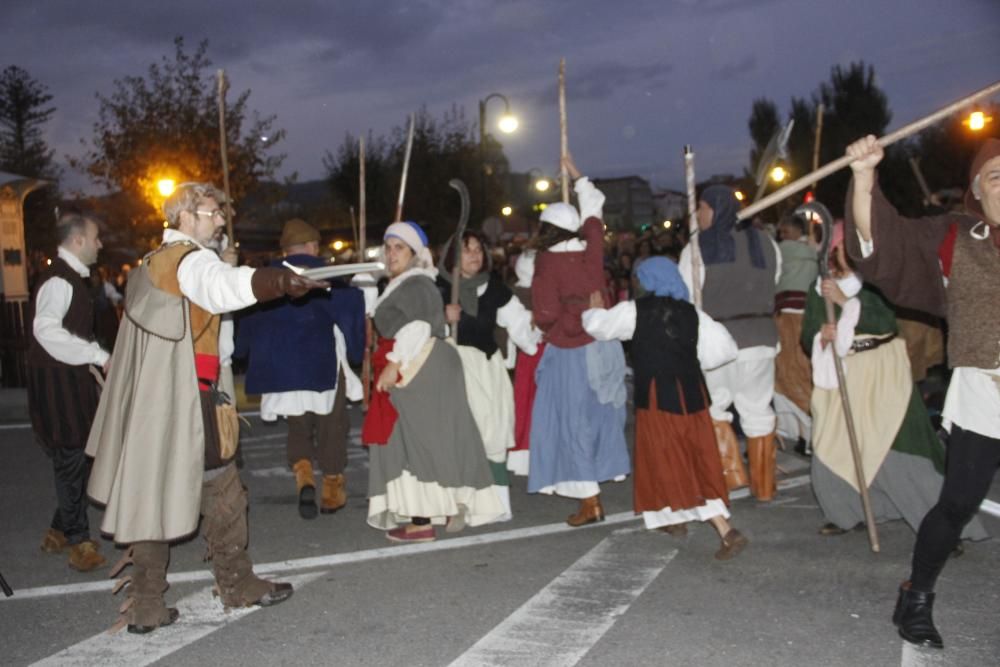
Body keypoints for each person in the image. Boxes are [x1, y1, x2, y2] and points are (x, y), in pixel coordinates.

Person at [86, 182, 325, 634]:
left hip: (158, 399)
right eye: (213, 212)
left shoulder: (151, 262)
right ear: (186, 216)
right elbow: (220, 287)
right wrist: (277, 280)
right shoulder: (190, 260)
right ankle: (237, 585)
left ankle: (146, 604)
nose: (220, 220)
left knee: (152, 492)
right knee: (222, 489)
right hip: (189, 398)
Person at [843, 135, 1000, 649]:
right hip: (987, 390)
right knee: (957, 504)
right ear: (978, 190)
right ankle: (915, 596)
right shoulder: (957, 237)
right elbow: (889, 246)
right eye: (996, 178)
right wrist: (865, 176)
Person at [802, 224, 986, 544]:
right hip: (843, 371)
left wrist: (846, 302)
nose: (850, 253)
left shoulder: (873, 284)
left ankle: (941, 530)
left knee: (895, 444)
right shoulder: (819, 288)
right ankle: (849, 511)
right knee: (832, 440)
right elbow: (807, 335)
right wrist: (822, 336)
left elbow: (882, 321)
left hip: (881, 369)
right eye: (845, 247)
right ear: (832, 251)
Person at [582, 257, 749, 559]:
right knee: (689, 456)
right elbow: (726, 350)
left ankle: (725, 528)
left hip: (658, 398)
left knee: (671, 460)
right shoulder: (693, 313)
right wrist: (689, 358)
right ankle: (671, 518)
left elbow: (598, 327)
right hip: (693, 396)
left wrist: (594, 308)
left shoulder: (635, 311)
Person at [362, 221, 505, 542]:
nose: (391, 253)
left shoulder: (415, 284)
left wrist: (393, 364)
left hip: (418, 363)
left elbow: (419, 327)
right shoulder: (404, 283)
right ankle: (439, 509)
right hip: (422, 363)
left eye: (399, 247)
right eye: (388, 246)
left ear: (415, 253)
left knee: (417, 442)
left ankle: (422, 520)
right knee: (427, 441)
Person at [235, 219, 365, 519]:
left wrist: (242, 352)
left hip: (281, 370)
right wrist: (357, 352)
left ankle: (304, 478)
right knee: (332, 426)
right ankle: (332, 490)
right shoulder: (325, 276)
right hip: (321, 364)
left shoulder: (265, 278)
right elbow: (349, 312)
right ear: (311, 246)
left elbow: (246, 318)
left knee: (298, 428)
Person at [528, 155, 630, 526]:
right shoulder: (592, 252)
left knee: (570, 424)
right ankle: (592, 492)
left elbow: (545, 314)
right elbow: (594, 210)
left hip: (569, 352)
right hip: (603, 346)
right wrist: (576, 173)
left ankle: (590, 500)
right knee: (601, 416)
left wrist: (549, 325)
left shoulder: (546, 264)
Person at [679, 185, 782, 500]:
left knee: (714, 406)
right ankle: (764, 487)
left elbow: (686, 295)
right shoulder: (767, 243)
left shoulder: (696, 249)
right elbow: (774, 282)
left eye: (702, 208)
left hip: (718, 342)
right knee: (757, 408)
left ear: (715, 209)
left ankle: (732, 473)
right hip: (761, 338)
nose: (698, 214)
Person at [28, 212, 110, 573]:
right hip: (58, 384)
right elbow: (45, 330)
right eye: (95, 238)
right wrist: (95, 355)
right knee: (71, 458)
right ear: (77, 241)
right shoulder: (59, 281)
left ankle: (60, 529)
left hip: (69, 380)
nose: (100, 244)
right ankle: (79, 542)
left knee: (82, 457)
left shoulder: (70, 279)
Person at [437, 230, 539, 517]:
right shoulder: (438, 288)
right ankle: (461, 503)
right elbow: (419, 328)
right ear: (453, 256)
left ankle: (494, 505)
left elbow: (518, 321)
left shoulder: (493, 288)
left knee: (493, 434)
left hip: (487, 366)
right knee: (461, 436)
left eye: (478, 250)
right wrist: (443, 321)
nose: (475, 255)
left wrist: (533, 336)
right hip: (453, 368)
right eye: (467, 250)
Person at [773, 214, 818, 455]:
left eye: (783, 232)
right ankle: (807, 434)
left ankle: (804, 433)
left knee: (786, 378)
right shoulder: (814, 254)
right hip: (809, 319)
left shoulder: (779, 253)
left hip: (785, 320)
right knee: (804, 376)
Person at [508, 250, 543, 477]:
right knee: (530, 403)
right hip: (531, 354)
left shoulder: (519, 292)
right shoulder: (520, 294)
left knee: (529, 403)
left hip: (533, 355)